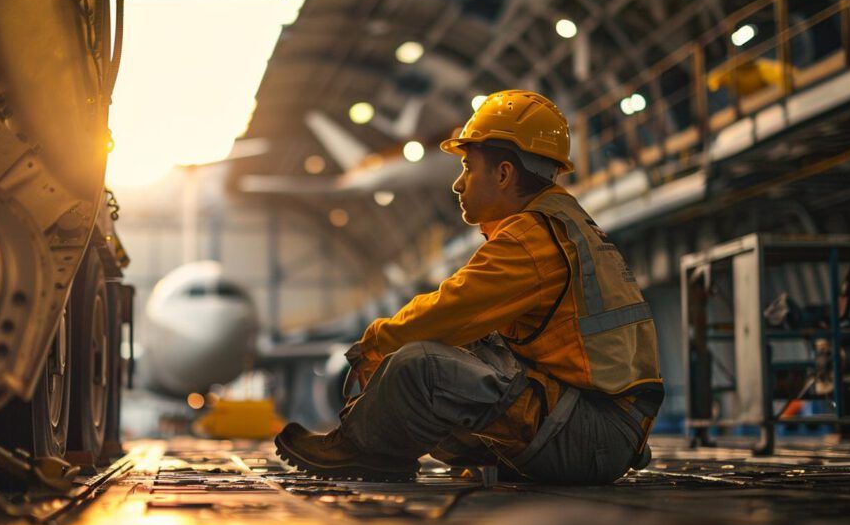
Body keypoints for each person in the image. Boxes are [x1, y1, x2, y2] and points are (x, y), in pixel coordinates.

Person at [275, 90, 663, 484]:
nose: (459, 184)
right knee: (458, 350)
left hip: (591, 434)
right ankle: (428, 453)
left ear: (504, 174)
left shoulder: (532, 239)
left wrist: (377, 341)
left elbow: (451, 309)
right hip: (597, 425)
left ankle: (364, 450)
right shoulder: (559, 225)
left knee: (418, 366)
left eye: (467, 167)